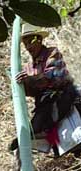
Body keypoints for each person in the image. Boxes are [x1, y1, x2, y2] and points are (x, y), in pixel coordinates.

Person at [10, 23, 80, 156]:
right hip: (43, 102)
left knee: (48, 113)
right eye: (26, 44)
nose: (29, 47)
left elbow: (55, 76)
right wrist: (21, 85)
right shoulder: (29, 67)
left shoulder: (52, 53)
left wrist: (31, 79)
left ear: (39, 40)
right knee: (38, 119)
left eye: (31, 42)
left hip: (63, 93)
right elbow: (32, 91)